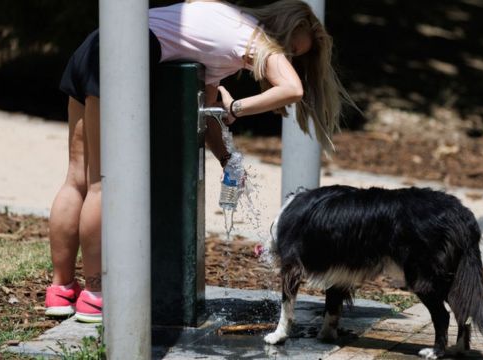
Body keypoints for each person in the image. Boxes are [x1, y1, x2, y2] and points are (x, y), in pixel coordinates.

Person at [45, 0, 354, 323]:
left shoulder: (224, 34)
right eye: (289, 48)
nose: (286, 58)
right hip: (121, 55)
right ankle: (95, 296)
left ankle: (61, 290)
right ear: (281, 30)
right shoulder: (251, 38)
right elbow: (292, 89)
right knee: (100, 184)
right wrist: (237, 109)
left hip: (98, 43)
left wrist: (226, 158)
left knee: (76, 179)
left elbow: (203, 115)